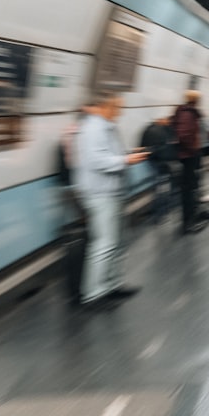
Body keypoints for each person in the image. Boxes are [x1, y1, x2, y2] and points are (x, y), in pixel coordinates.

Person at [73, 92, 149, 308]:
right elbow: (97, 160)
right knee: (104, 243)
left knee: (118, 241)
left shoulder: (105, 126)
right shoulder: (94, 128)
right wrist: (126, 159)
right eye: (118, 107)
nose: (121, 112)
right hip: (100, 193)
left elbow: (107, 154)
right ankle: (94, 294)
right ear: (107, 106)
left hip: (112, 192)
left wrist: (127, 154)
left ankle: (112, 285)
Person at [173, 90, 209, 234]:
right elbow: (183, 135)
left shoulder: (192, 112)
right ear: (195, 99)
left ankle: (196, 214)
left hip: (193, 154)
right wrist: (193, 150)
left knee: (195, 187)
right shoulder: (187, 113)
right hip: (188, 157)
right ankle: (188, 223)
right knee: (188, 190)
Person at [139, 116, 177, 223]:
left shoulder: (147, 129)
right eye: (167, 120)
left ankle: (158, 212)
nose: (168, 122)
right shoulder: (162, 130)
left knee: (158, 188)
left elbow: (142, 146)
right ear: (161, 120)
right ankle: (162, 212)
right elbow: (165, 147)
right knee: (163, 188)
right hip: (161, 161)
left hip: (151, 161)